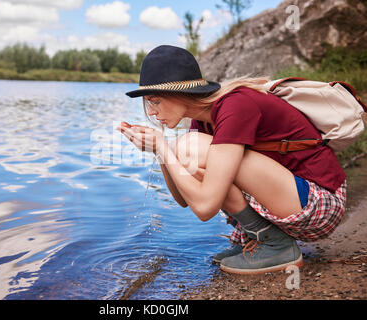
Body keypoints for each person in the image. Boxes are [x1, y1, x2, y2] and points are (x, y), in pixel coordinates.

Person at [117, 45, 346, 275]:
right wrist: (159, 151)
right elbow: (184, 199)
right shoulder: (202, 120)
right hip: (291, 196)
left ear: (179, 93)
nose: (152, 112)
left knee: (188, 146)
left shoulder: (235, 105)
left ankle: (276, 245)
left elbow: (206, 206)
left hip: (320, 201)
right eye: (148, 103)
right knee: (187, 150)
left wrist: (163, 147)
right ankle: (259, 239)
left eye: (155, 101)